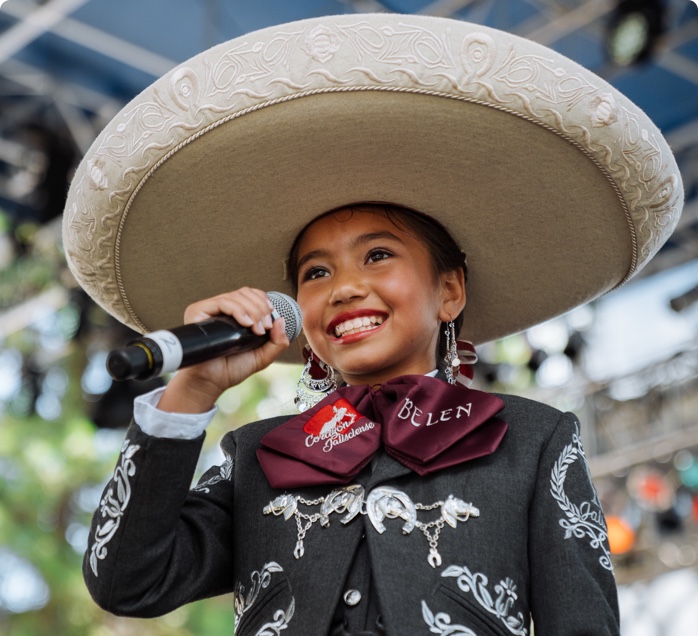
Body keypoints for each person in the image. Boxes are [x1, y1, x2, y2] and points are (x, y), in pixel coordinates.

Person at [64, 13, 682, 636]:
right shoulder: (256, 456)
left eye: (378, 256)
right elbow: (125, 580)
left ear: (449, 290)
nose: (345, 287)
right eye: (314, 273)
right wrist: (192, 390)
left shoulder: (533, 441)